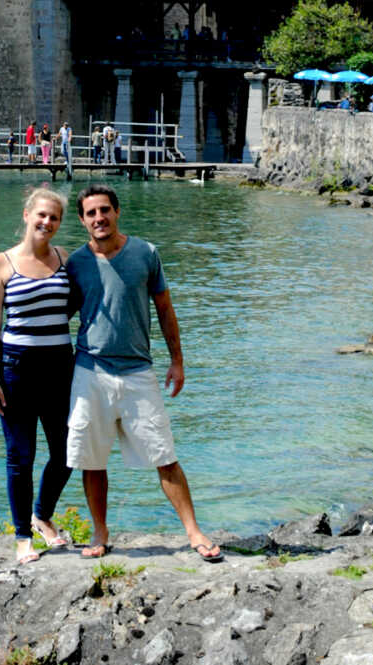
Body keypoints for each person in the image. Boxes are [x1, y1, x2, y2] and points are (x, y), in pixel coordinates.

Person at [66, 185, 223, 563]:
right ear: (82, 220)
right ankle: (100, 532)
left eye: (105, 210)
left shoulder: (145, 253)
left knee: (164, 455)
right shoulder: (75, 263)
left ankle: (194, 532)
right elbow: (61, 315)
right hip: (90, 370)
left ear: (117, 212)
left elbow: (165, 308)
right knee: (92, 460)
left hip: (138, 372)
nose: (99, 218)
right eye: (91, 213)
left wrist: (177, 360)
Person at [0, 188, 74, 565]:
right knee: (21, 457)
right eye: (41, 215)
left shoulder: (65, 259)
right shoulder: (1, 263)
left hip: (60, 367)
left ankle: (42, 515)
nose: (47, 223)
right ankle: (23, 537)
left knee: (67, 452)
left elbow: (73, 306)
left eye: (54, 218)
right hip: (16, 369)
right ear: (26, 215)